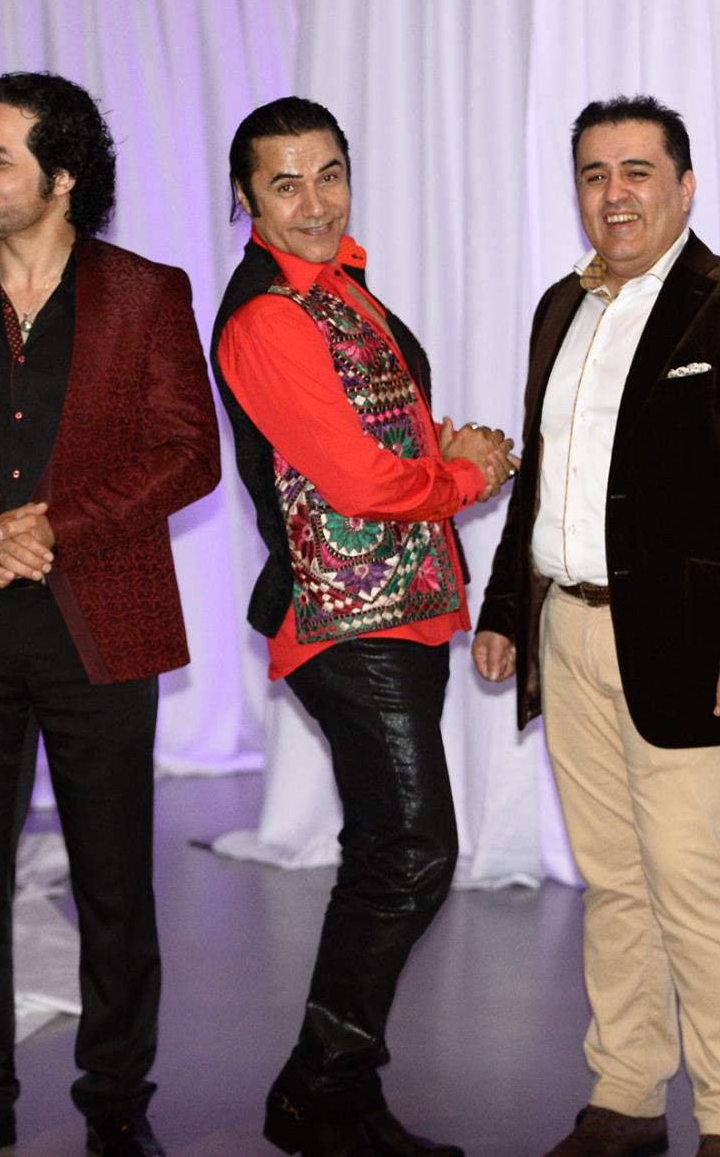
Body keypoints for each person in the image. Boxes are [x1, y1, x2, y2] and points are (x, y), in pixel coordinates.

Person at [474, 95, 720, 1157]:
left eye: (636, 171)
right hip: (566, 631)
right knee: (614, 882)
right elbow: (544, 479)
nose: (613, 194)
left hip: (691, 647)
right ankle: (625, 1095)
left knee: (692, 885)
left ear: (684, 185)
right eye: (593, 173)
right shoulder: (558, 307)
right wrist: (504, 608)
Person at [0, 72, 219, 1157]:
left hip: (102, 623)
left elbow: (190, 451)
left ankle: (116, 1101)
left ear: (62, 177)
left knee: (114, 883)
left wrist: (51, 528)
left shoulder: (147, 292)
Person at [211, 96, 513, 1157]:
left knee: (388, 846)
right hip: (344, 624)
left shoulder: (340, 287)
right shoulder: (265, 316)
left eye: (328, 174)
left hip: (400, 611)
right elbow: (355, 480)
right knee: (415, 851)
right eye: (284, 183)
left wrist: (443, 444)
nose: (314, 202)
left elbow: (371, 435)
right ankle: (314, 1087)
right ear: (246, 196)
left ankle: (339, 1095)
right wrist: (465, 474)